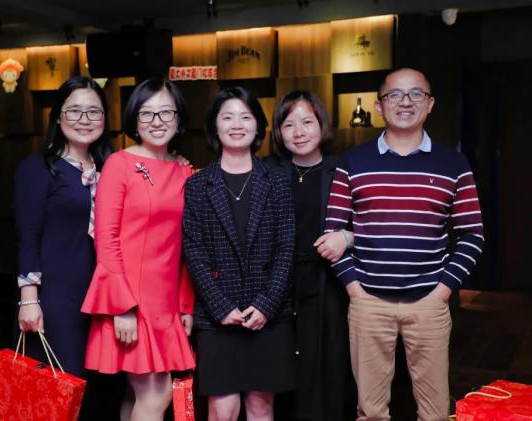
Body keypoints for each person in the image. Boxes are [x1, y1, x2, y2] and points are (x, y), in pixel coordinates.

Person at [324, 68, 484, 421]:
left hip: (429, 302)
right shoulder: (353, 161)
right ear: (380, 106)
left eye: (416, 94)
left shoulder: (454, 163)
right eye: (395, 94)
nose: (405, 102)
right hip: (368, 303)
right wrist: (354, 289)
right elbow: (332, 232)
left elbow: (472, 234)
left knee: (435, 412)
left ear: (430, 104)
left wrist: (442, 291)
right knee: (370, 412)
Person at [81, 78, 195, 421]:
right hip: (132, 300)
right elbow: (106, 239)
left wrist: (185, 304)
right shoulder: (119, 164)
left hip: (166, 302)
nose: (157, 121)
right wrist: (122, 306)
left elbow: (185, 245)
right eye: (147, 113)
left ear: (178, 118)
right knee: (157, 394)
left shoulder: (185, 171)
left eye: (165, 112)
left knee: (138, 394)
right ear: (134, 119)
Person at [183, 86, 296, 421]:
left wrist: (266, 304)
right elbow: (193, 250)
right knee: (222, 409)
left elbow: (286, 247)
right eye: (227, 117)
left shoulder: (278, 180)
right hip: (217, 318)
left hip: (269, 316)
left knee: (261, 407)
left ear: (257, 125)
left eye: (245, 117)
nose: (236, 124)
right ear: (214, 126)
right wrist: (220, 306)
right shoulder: (198, 185)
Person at [15, 76, 112, 377]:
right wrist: (29, 301)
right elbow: (28, 237)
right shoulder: (39, 168)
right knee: (62, 383)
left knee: (97, 388)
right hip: (56, 298)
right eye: (74, 111)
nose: (84, 119)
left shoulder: (111, 169)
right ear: (58, 116)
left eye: (94, 111)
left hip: (100, 298)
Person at [266, 90, 353, 421]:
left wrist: (347, 237)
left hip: (327, 286)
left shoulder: (341, 170)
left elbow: (372, 222)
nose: (298, 132)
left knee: (327, 369)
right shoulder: (268, 171)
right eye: (289, 124)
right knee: (282, 374)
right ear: (278, 130)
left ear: (322, 125)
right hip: (279, 290)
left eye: (307, 122)